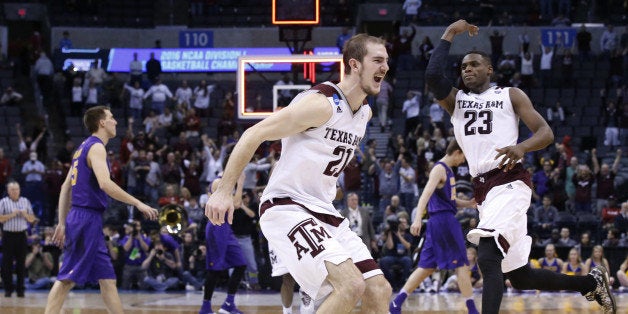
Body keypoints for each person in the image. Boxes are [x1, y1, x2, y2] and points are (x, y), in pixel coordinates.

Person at [425, 19, 616, 313]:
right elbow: (433, 75)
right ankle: (589, 285)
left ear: (489, 69)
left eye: (474, 64)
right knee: (520, 276)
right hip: (484, 193)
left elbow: (545, 133)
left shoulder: (509, 94)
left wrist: (521, 147)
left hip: (509, 183)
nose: (467, 70)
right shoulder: (456, 102)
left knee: (487, 255)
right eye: (463, 66)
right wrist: (449, 33)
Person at [204, 34, 392, 313]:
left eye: (386, 61)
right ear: (354, 64)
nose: (385, 67)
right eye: (377, 60)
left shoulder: (364, 113)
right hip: (286, 207)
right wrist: (223, 190)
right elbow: (254, 133)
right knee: (351, 285)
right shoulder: (321, 103)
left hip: (324, 211)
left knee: (379, 290)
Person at [44, 106, 159, 314]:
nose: (115, 121)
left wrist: (62, 222)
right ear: (102, 123)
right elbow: (105, 184)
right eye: (112, 118)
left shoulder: (82, 148)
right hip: (85, 218)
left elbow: (65, 187)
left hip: (87, 219)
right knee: (66, 279)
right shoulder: (96, 147)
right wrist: (138, 203)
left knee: (107, 280)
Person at [390, 139, 479, 314]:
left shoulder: (448, 171)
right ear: (457, 152)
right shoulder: (439, 169)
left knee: (427, 266)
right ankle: (472, 309)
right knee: (461, 263)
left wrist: (468, 204)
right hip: (444, 221)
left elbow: (450, 201)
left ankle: (396, 303)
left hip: (438, 222)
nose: (463, 162)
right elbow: (426, 194)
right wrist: (416, 219)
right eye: (463, 157)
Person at [199, 173, 248, 314]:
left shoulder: (228, 183)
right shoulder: (217, 182)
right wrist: (240, 183)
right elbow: (237, 203)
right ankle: (205, 307)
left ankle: (228, 304)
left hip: (226, 228)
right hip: (216, 227)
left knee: (240, 264)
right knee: (215, 269)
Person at [0, 181, 37, 297]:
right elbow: (0, 219)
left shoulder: (25, 201)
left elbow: (32, 219)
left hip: (21, 235)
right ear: (8, 191)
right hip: (8, 235)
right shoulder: (3, 202)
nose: (15, 192)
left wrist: (25, 215)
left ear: (20, 190)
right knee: (7, 264)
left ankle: (20, 290)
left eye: (17, 189)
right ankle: (8, 290)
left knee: (21, 263)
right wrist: (12, 214)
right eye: (12, 190)